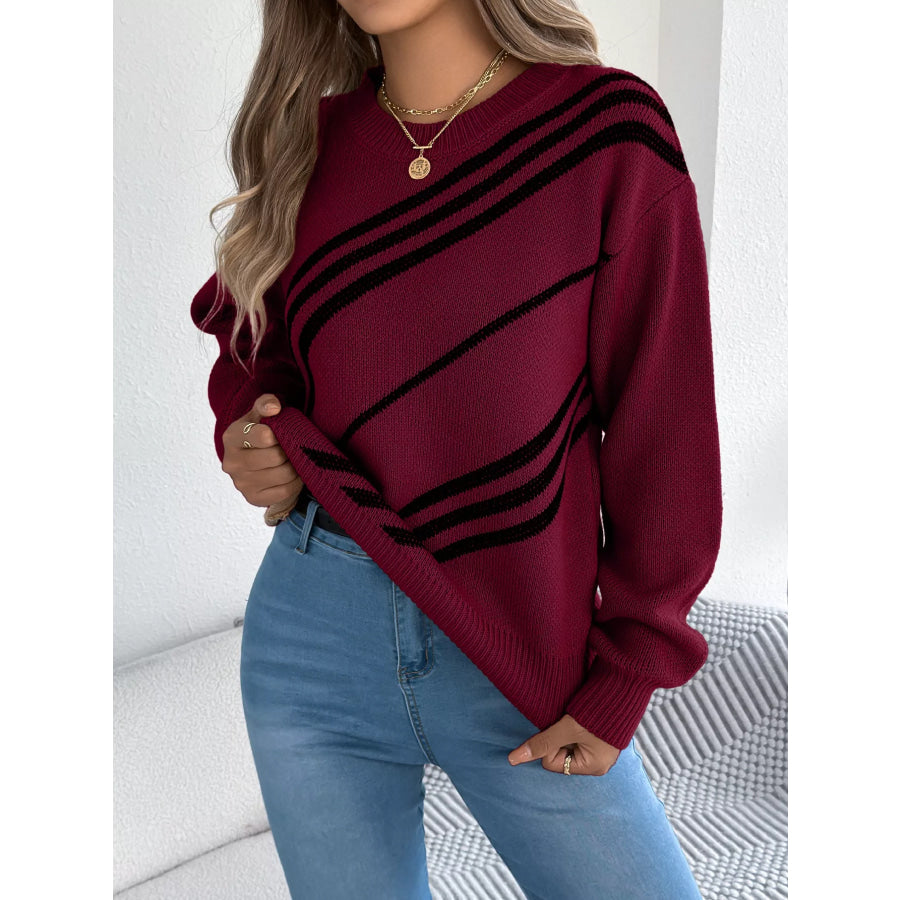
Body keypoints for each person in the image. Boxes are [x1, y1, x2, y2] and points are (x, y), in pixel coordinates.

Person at [189, 1, 722, 897]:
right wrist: (248, 429)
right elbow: (250, 340)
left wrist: (627, 672)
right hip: (313, 640)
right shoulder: (311, 144)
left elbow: (664, 431)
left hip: (520, 649)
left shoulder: (604, 134)